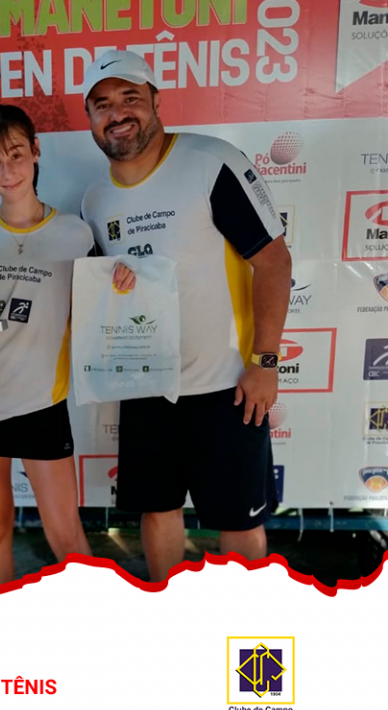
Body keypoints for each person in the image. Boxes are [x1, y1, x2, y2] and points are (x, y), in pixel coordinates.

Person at [80, 50, 292, 582]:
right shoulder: (95, 200)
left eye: (130, 97)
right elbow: (110, 297)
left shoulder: (210, 163)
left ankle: (249, 631)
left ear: (156, 100)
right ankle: (168, 615)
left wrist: (266, 361)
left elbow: (273, 261)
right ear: (91, 118)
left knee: (238, 523)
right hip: (147, 386)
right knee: (157, 511)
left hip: (228, 386)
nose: (117, 113)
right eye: (102, 104)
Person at [0, 105, 135, 588]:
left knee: (66, 533)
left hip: (40, 404)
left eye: (15, 154)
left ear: (35, 150)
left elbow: (98, 315)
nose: (7, 170)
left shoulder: (75, 233)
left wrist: (119, 282)